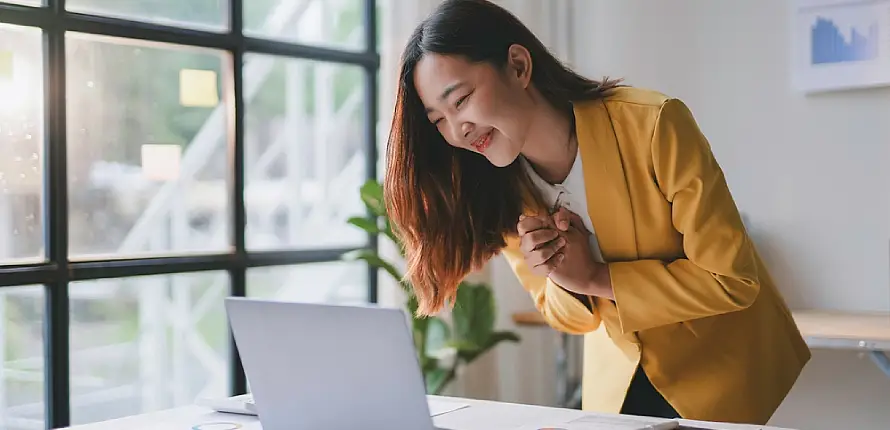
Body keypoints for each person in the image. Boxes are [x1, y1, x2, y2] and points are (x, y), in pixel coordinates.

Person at [382, 0, 810, 425]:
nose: (458, 130)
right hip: (619, 379)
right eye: (438, 120)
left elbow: (731, 280)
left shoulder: (654, 125)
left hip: (720, 369)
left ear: (517, 65)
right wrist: (565, 278)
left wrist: (594, 277)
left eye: (461, 100)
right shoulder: (499, 188)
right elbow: (560, 313)